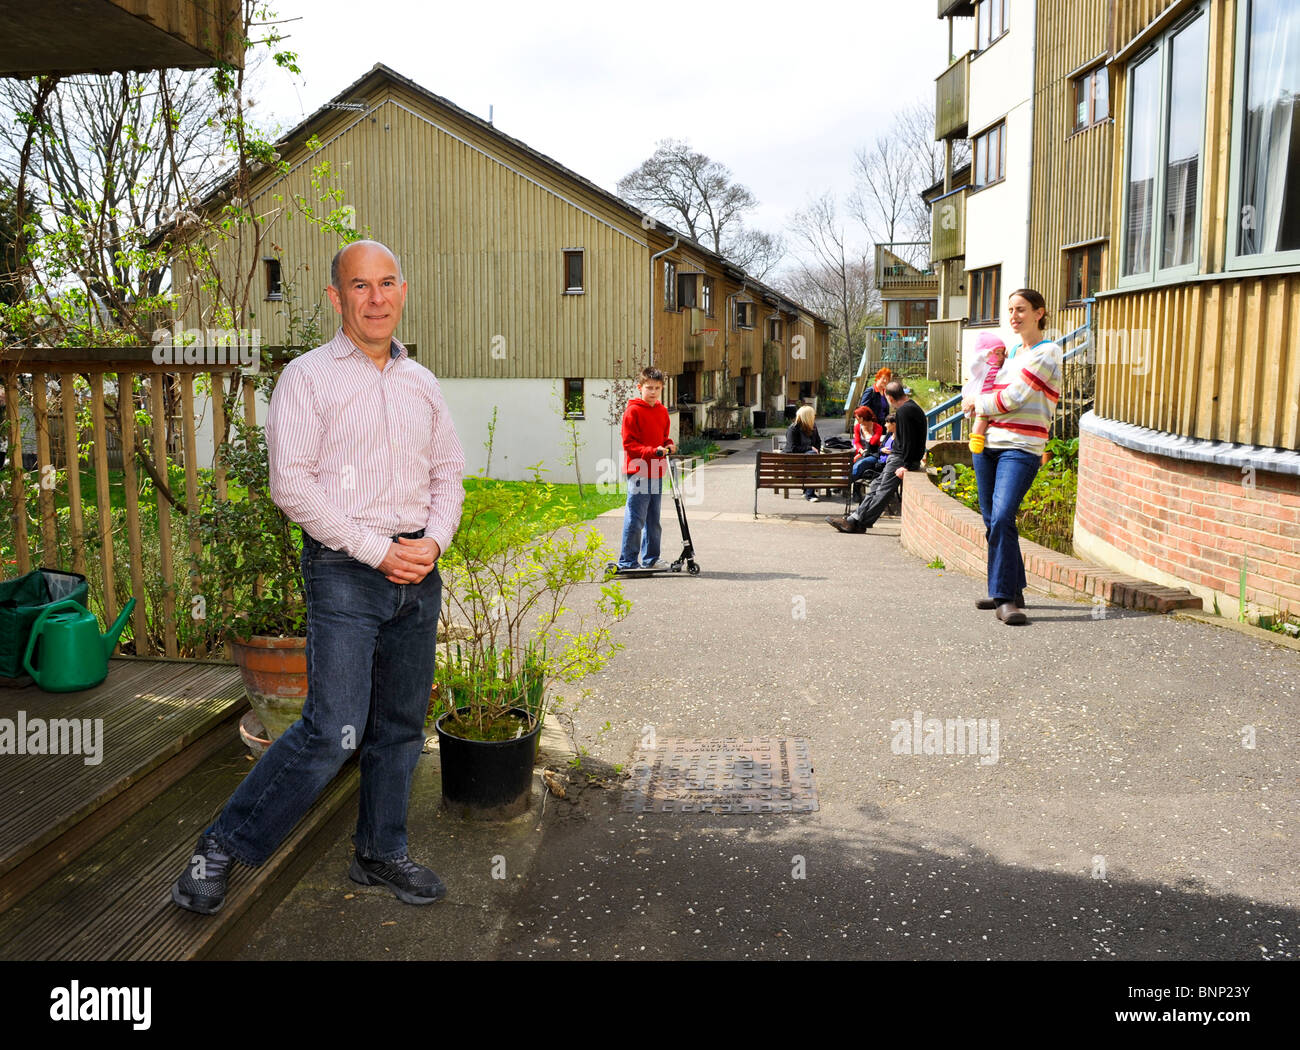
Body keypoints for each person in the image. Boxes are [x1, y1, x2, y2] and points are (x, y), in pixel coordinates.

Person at [170, 240, 467, 914]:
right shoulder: (308, 378)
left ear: (404, 289)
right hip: (344, 569)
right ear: (337, 298)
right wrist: (376, 550)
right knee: (331, 728)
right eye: (360, 286)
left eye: (387, 283)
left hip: (417, 572)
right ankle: (219, 847)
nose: (376, 298)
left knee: (397, 725)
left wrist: (433, 542)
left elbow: (447, 472)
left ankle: (380, 851)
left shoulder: (421, 382)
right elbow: (292, 487)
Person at [964, 288, 1063, 625]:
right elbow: (987, 390)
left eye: (1021, 309)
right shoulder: (1010, 354)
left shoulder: (1047, 352)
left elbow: (1015, 398)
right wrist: (975, 403)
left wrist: (977, 404)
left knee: (1004, 515)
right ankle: (1011, 588)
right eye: (1010, 310)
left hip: (1021, 447)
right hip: (987, 445)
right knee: (992, 520)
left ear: (1039, 312)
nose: (1014, 316)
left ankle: (1004, 599)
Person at [825, 381, 926, 533]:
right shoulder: (913, 408)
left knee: (882, 491)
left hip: (900, 459)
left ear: (890, 398)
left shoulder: (904, 411)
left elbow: (909, 440)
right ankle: (855, 520)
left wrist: (906, 465)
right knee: (875, 486)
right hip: (898, 457)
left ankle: (856, 521)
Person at [618, 366, 674, 569]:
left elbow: (664, 437)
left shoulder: (662, 411)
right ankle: (627, 561)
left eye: (657, 388)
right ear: (639, 387)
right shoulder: (633, 411)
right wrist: (652, 451)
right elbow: (629, 445)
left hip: (657, 470)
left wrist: (669, 444)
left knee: (653, 519)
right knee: (636, 518)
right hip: (638, 471)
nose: (653, 392)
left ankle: (651, 558)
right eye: (649, 387)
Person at [964, 332, 1007, 455]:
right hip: (981, 399)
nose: (1000, 357)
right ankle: (976, 438)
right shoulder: (982, 367)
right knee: (981, 419)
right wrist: (983, 356)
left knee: (987, 420)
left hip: (993, 400)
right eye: (996, 353)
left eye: (1002, 353)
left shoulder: (1003, 367)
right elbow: (974, 366)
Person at [784, 403, 823, 500]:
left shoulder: (813, 427)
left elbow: (818, 442)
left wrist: (814, 450)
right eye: (813, 415)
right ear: (807, 417)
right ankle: (809, 494)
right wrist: (809, 448)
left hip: (810, 461)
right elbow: (792, 449)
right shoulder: (793, 429)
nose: (814, 417)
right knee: (812, 457)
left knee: (812, 458)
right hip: (794, 461)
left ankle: (808, 491)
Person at [850, 404, 884, 485]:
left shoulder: (877, 427)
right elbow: (857, 442)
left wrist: (867, 431)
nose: (856, 419)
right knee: (848, 464)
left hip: (873, 455)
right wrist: (860, 450)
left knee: (860, 464)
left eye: (857, 417)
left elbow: (873, 442)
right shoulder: (857, 427)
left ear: (862, 418)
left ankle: (845, 483)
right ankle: (845, 484)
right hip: (861, 453)